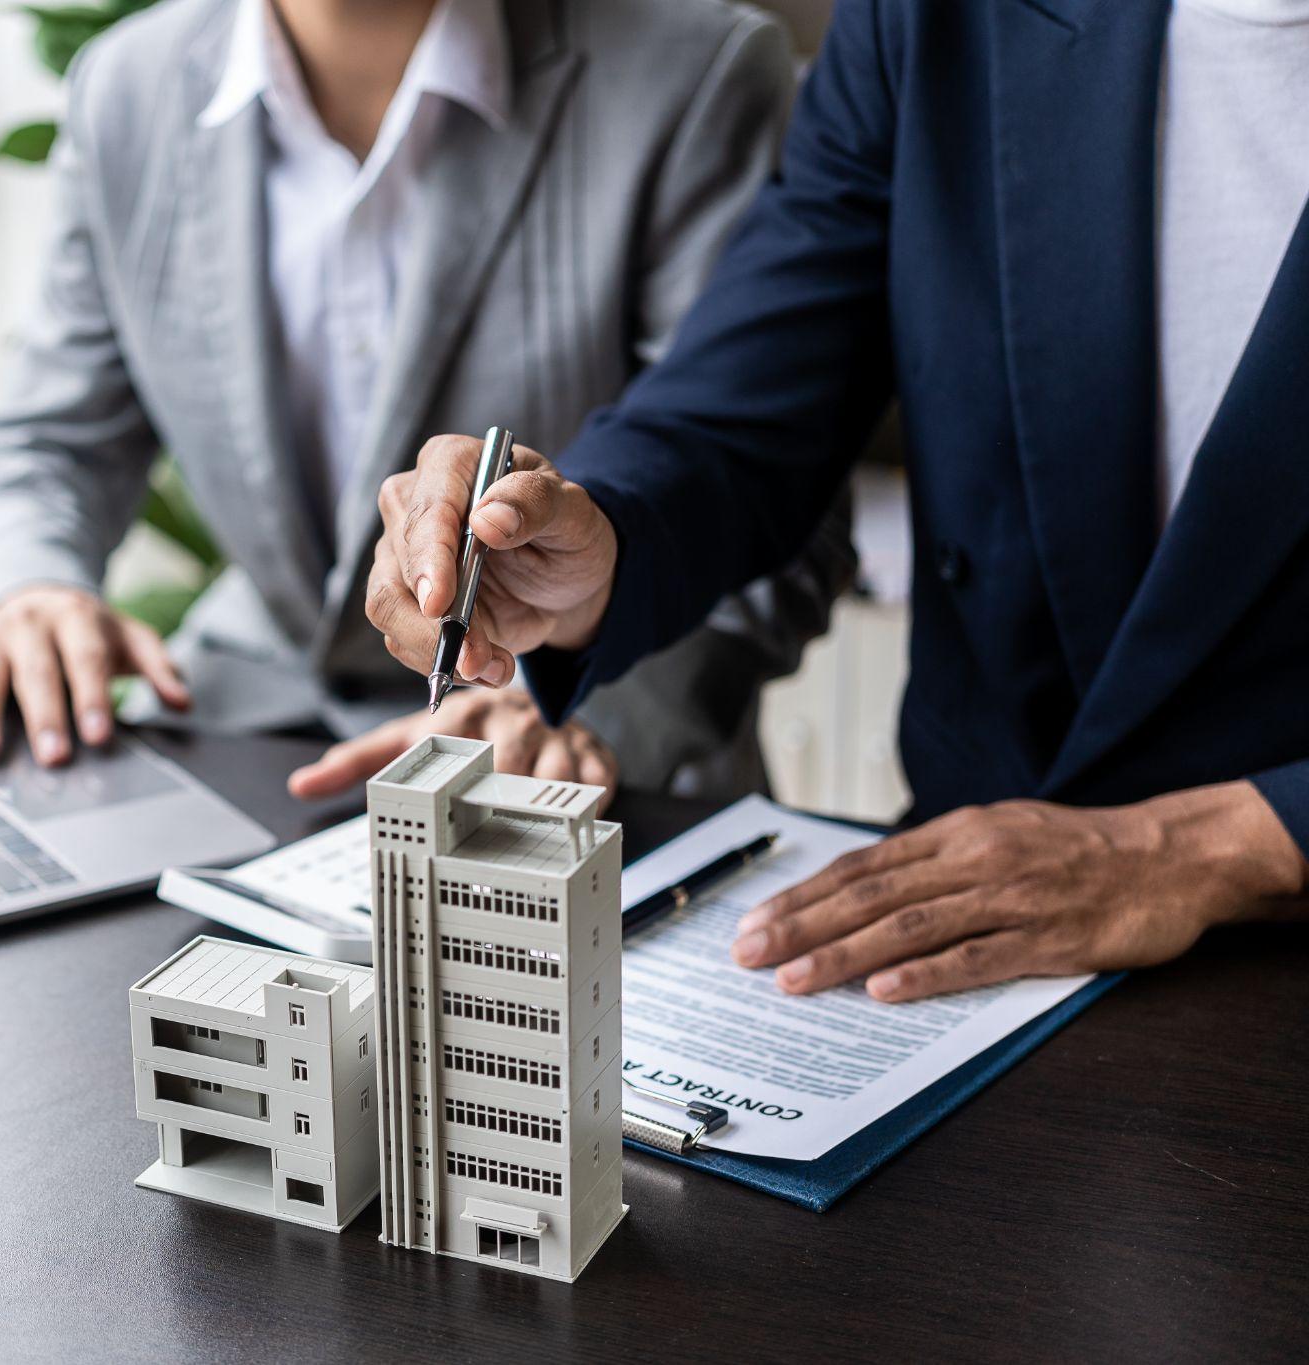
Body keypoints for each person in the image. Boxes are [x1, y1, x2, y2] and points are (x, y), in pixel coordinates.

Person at [365, 0, 1309, 1001]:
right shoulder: (941, 18)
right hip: (958, 931)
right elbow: (749, 401)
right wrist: (589, 538)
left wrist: (1215, 844)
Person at [0, 0, 855, 806]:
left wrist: (558, 704)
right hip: (247, 744)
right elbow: (41, 446)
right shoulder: (125, 86)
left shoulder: (692, 72)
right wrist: (26, 589)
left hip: (570, 772)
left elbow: (775, 509)